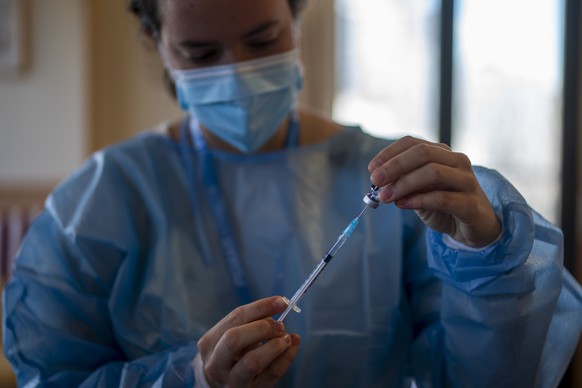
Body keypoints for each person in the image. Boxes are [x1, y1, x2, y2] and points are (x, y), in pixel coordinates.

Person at [3, 0, 582, 386]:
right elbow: (51, 376)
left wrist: (486, 253)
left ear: (297, 19)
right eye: (201, 55)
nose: (238, 72)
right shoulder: (103, 199)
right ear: (156, 41)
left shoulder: (394, 182)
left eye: (263, 40)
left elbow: (488, 377)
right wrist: (192, 378)